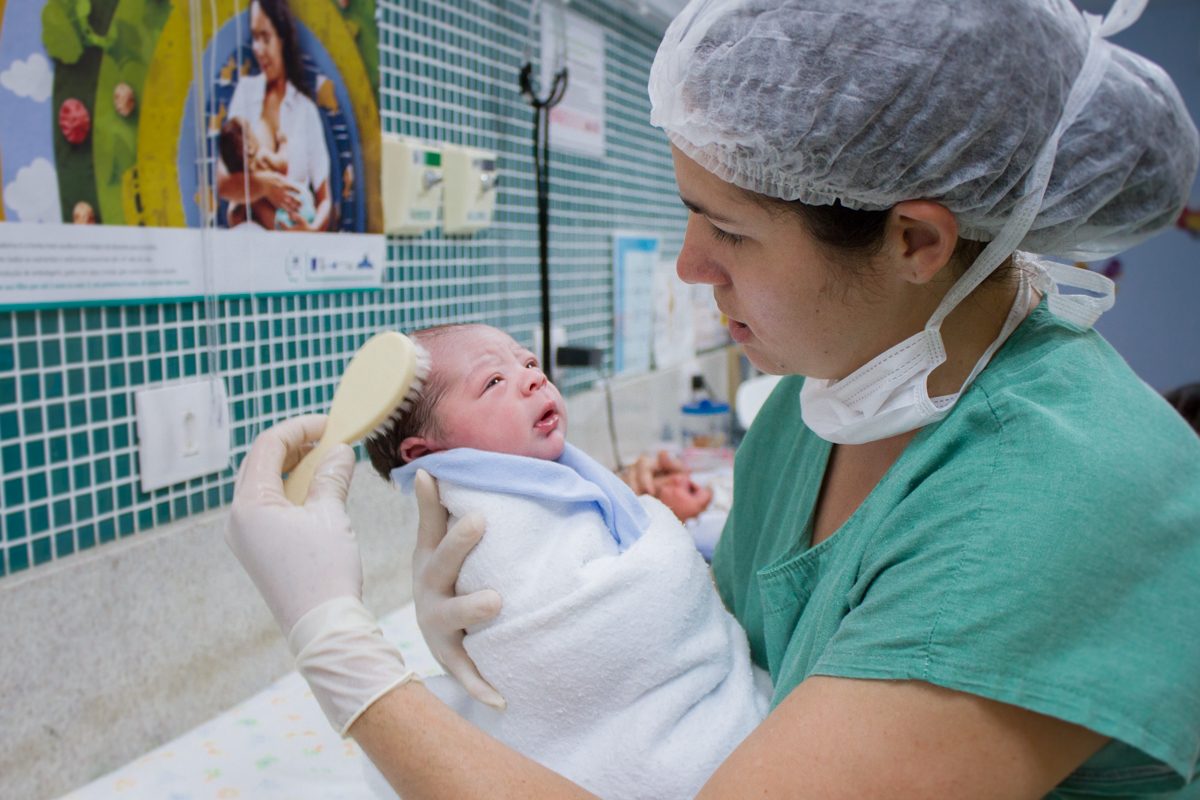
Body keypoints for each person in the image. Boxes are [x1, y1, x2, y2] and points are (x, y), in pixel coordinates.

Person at [225, 0, 1200, 797]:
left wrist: (341, 651)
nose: (690, 268)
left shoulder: (1068, 495)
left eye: (727, 231)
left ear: (915, 241)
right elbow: (708, 671)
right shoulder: (811, 410)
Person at [359, 323, 766, 799]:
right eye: (493, 381)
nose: (534, 379)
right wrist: (659, 542)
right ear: (427, 451)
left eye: (529, 363)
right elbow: (574, 633)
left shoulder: (539, 480)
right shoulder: (485, 520)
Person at [215, 0, 331, 232]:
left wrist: (310, 232)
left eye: (265, 38)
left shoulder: (305, 110)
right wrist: (265, 186)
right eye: (255, 38)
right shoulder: (246, 92)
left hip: (294, 234)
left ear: (283, 40)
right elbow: (224, 184)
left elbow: (325, 199)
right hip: (249, 237)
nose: (258, 49)